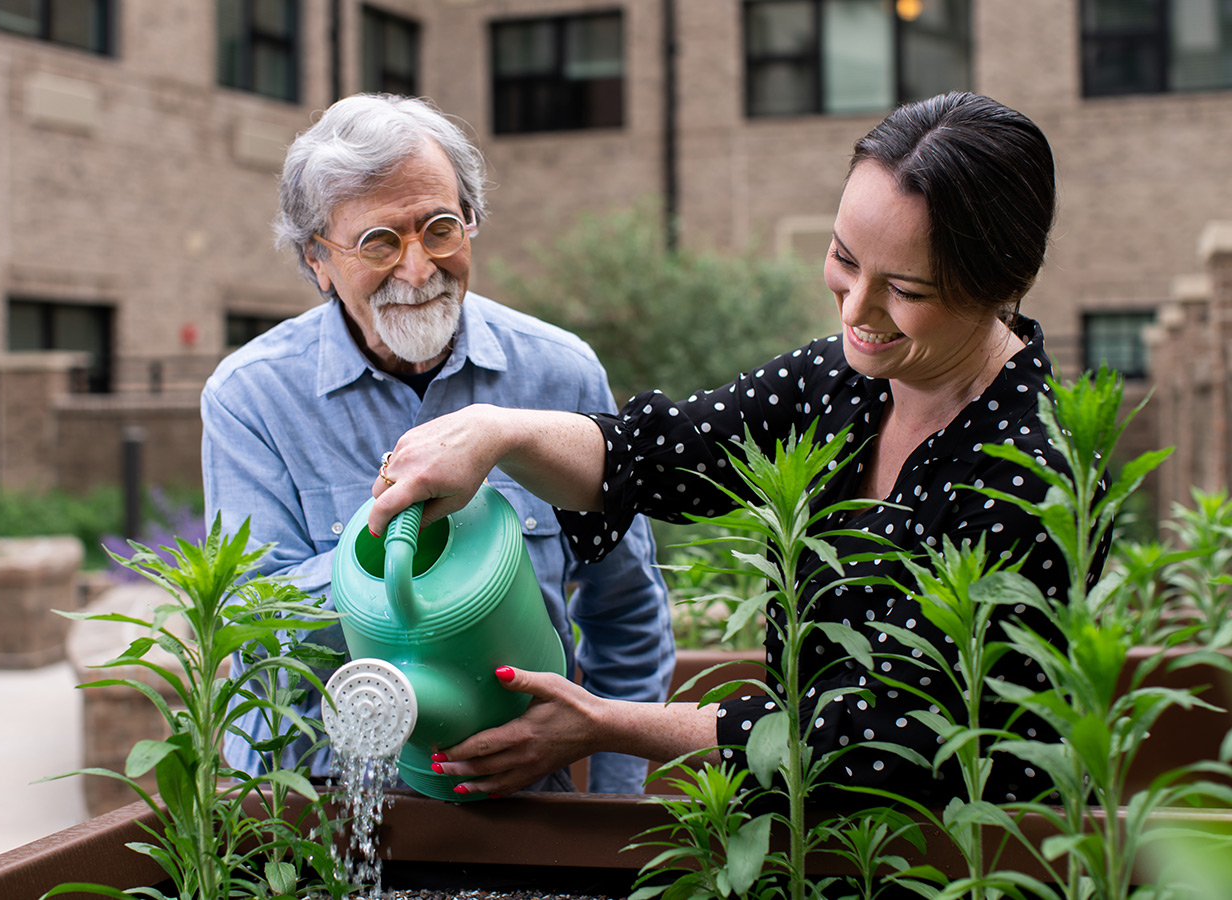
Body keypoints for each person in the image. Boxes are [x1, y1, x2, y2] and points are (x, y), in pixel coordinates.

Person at [368, 91, 1103, 803]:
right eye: (845, 258)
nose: (856, 308)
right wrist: (496, 432)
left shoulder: (1036, 469)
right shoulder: (839, 381)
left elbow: (891, 743)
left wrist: (605, 725)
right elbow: (658, 457)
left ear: (1005, 283)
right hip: (815, 848)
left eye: (905, 289)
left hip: (971, 859)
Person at [200, 93, 675, 793]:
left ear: (471, 223)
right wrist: (400, 559)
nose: (418, 269)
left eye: (440, 228)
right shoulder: (252, 399)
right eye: (379, 242)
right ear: (316, 261)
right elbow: (253, 629)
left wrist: (612, 800)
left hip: (527, 810)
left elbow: (626, 608)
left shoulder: (558, 373)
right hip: (328, 818)